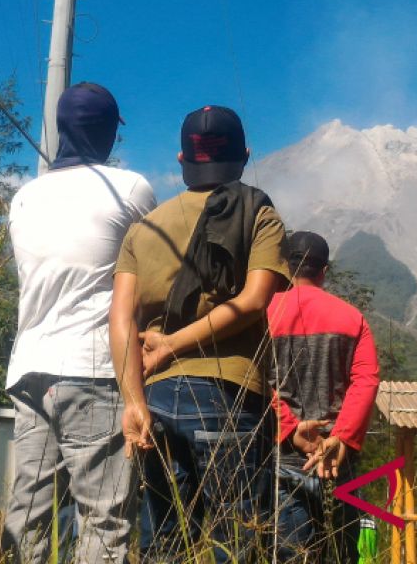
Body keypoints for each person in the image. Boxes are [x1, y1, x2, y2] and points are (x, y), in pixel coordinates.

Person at [110, 105, 290, 564]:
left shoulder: (143, 228)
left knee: (162, 545)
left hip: (156, 400)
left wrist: (133, 400)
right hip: (228, 398)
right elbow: (253, 302)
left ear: (181, 160)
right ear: (245, 155)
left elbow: (121, 318)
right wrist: (174, 344)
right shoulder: (258, 213)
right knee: (237, 542)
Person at [0, 82, 156, 564]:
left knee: (28, 509)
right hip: (94, 369)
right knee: (103, 518)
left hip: (29, 369)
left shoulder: (24, 197)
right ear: (110, 133)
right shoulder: (131, 189)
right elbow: (146, 281)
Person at [268, 231, 380, 563]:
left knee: (290, 554)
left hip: (285, 455)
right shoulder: (352, 317)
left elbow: (255, 378)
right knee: (340, 554)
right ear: (324, 271)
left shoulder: (264, 312)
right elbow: (366, 380)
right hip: (337, 459)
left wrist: (288, 427)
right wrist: (342, 436)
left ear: (284, 266)